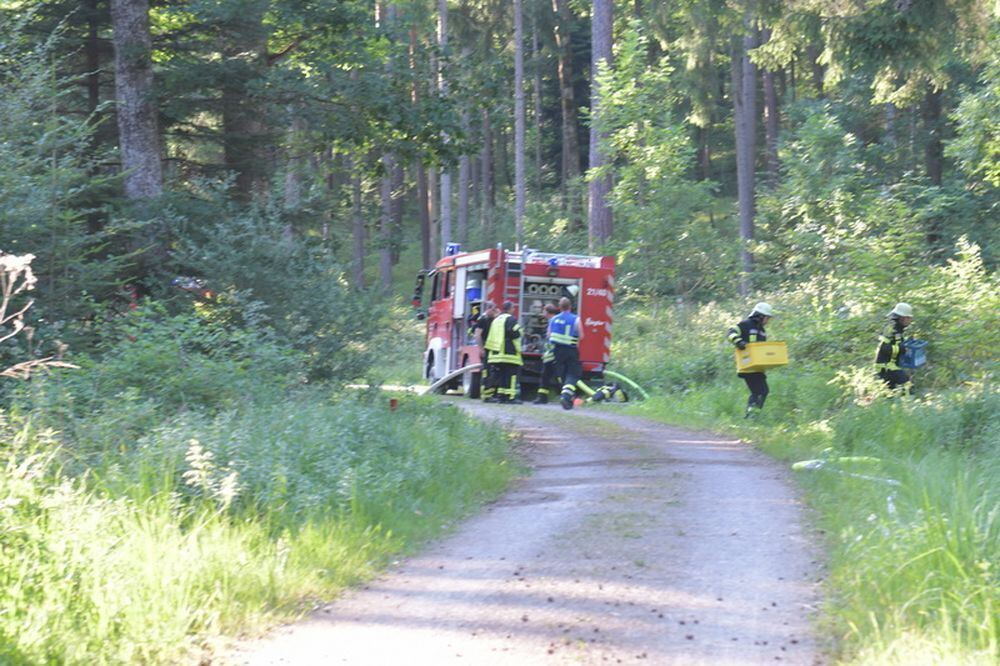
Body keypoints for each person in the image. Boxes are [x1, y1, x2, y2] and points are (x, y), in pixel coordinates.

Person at [727, 302, 774, 418]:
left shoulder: (762, 331)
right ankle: (751, 416)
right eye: (767, 317)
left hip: (757, 367)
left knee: (763, 391)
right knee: (759, 391)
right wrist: (739, 342)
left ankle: (753, 415)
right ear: (760, 316)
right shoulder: (746, 324)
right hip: (747, 366)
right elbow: (730, 332)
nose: (768, 321)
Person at [548, 297, 583, 410]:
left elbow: (549, 335)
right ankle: (566, 396)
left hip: (557, 351)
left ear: (559, 307)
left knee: (562, 374)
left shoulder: (553, 319)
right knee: (573, 374)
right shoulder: (575, 319)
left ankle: (567, 398)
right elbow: (581, 335)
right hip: (571, 350)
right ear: (570, 307)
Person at [484, 301, 523, 403]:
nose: (514, 310)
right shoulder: (511, 319)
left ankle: (501, 396)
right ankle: (510, 397)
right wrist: (519, 348)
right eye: (513, 308)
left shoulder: (496, 320)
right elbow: (515, 334)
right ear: (509, 309)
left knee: (501, 375)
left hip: (496, 354)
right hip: (509, 353)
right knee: (512, 376)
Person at [875, 302, 914, 392]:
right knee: (907, 387)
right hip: (885, 367)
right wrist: (902, 349)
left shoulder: (899, 329)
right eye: (908, 318)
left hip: (892, 366)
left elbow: (897, 343)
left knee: (891, 394)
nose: (910, 320)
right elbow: (884, 348)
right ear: (902, 317)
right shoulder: (890, 329)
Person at [533, 304, 561, 404]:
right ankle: (543, 397)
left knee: (550, 376)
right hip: (553, 355)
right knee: (550, 376)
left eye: (544, 311)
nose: (543, 313)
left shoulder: (553, 321)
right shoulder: (555, 320)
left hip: (553, 355)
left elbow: (550, 336)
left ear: (548, 312)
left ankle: (544, 398)